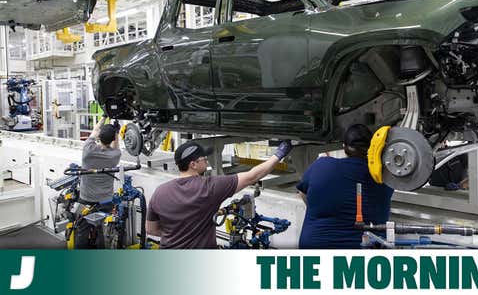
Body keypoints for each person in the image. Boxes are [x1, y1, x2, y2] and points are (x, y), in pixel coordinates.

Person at [145, 140, 292, 249]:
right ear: (193, 164)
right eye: (203, 159)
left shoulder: (160, 192)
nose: (207, 160)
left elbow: (151, 229)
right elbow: (252, 176)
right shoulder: (209, 187)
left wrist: (177, 234)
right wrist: (279, 154)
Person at [296, 124, 394, 249]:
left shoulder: (321, 166)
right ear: (372, 147)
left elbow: (303, 193)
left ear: (343, 147)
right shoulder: (384, 176)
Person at [76, 114, 121, 248]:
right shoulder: (115, 156)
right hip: (105, 200)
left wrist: (104, 117)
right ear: (112, 139)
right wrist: (117, 133)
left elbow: (94, 132)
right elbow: (116, 146)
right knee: (103, 230)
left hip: (86, 199)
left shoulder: (88, 151)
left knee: (81, 230)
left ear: (99, 137)